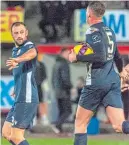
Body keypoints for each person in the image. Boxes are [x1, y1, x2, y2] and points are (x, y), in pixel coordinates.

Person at [68, 2, 129, 145]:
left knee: (80, 124)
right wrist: (121, 72)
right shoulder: (110, 31)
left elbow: (100, 56)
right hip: (112, 80)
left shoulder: (92, 31)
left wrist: (77, 57)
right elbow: (117, 56)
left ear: (89, 14)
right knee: (119, 126)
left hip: (96, 81)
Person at [2, 22, 39, 145]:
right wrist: (16, 87)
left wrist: (18, 59)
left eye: (21, 32)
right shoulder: (15, 50)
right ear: (12, 35)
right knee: (6, 133)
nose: (19, 35)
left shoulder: (28, 46)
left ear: (26, 33)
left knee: (17, 136)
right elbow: (21, 73)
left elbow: (33, 53)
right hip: (19, 97)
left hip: (27, 98)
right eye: (16, 33)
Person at [52, 48, 72, 133]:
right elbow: (65, 79)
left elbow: (52, 80)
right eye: (68, 53)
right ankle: (57, 125)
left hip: (57, 92)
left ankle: (59, 128)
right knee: (68, 111)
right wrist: (70, 87)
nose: (69, 55)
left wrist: (56, 90)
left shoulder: (56, 64)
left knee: (61, 111)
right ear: (63, 53)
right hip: (64, 92)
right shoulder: (64, 64)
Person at [35, 54, 49, 125]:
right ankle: (35, 118)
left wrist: (39, 82)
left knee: (41, 102)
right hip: (33, 87)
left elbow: (44, 76)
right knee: (35, 103)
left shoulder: (41, 65)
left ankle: (43, 117)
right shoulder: (28, 65)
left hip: (40, 87)